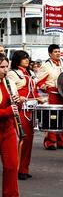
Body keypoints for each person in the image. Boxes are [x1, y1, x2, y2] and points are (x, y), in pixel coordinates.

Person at [7, 51, 42, 180]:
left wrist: (40, 98)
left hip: (30, 109)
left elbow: (34, 90)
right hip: (20, 110)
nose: (26, 60)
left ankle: (24, 168)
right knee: (23, 139)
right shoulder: (12, 73)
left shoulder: (30, 73)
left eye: (27, 58)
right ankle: (16, 169)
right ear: (17, 60)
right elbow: (10, 90)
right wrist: (19, 98)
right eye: (23, 58)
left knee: (29, 141)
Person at [37, 44, 63, 150]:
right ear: (50, 54)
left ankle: (62, 141)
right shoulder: (46, 66)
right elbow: (39, 82)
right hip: (53, 95)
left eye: (59, 51)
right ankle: (50, 142)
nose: (58, 53)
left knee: (62, 117)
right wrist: (47, 88)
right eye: (55, 52)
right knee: (52, 117)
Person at [0, 53, 20, 196]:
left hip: (8, 130)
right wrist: (8, 111)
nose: (5, 70)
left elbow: (13, 107)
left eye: (7, 67)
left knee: (12, 166)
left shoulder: (9, 82)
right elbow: (7, 110)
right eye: (1, 67)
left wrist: (17, 102)